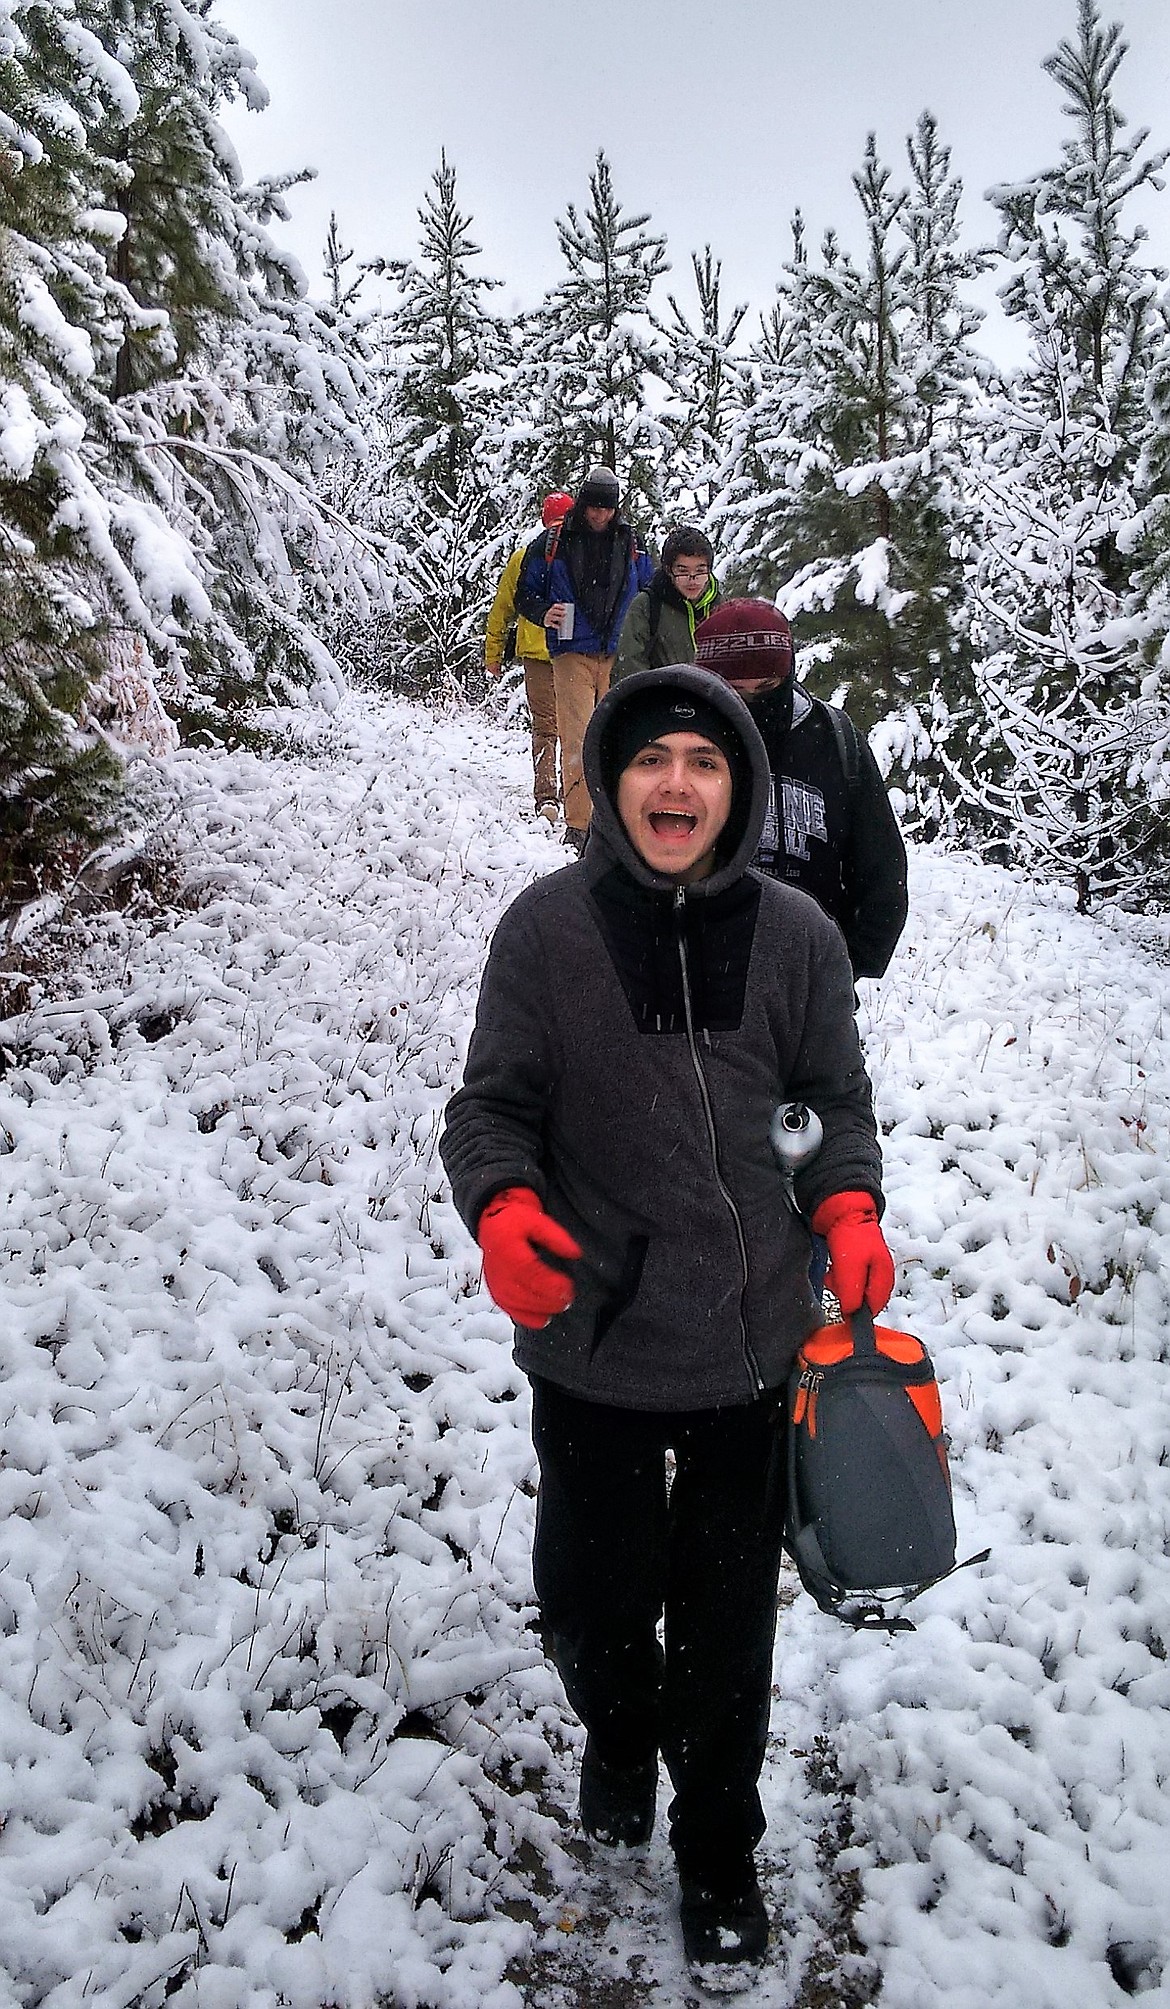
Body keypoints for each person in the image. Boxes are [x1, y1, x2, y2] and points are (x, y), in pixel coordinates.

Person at [440, 663, 894, 1983]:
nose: (678, 783)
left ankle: (717, 1849)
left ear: (737, 787)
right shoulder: (544, 933)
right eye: (652, 761)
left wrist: (847, 1206)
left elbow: (824, 1105)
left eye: (705, 762)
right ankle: (614, 1727)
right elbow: (493, 1110)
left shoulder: (799, 941)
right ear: (612, 779)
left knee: (723, 1623)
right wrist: (503, 1207)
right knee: (588, 1599)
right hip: (595, 1338)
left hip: (755, 1337)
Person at [694, 598, 908, 981]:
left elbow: (881, 866)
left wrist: (847, 966)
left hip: (810, 976)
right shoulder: (678, 743)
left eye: (767, 686)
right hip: (696, 975)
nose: (752, 704)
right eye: (733, 691)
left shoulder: (835, 741)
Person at [515, 464, 653, 852]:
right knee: (576, 736)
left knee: (618, 737)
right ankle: (579, 824)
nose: (599, 515)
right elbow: (524, 594)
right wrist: (543, 612)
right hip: (571, 650)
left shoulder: (632, 544)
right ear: (583, 502)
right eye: (594, 507)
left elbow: (648, 595)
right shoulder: (552, 543)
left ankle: (617, 821)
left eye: (607, 509)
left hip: (618, 652)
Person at [485, 491, 574, 825]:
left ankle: (554, 795)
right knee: (563, 725)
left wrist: (494, 654)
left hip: (550, 654)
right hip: (558, 654)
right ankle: (561, 794)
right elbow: (504, 609)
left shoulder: (528, 557)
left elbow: (501, 611)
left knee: (551, 726)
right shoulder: (534, 558)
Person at [614, 524, 719, 680]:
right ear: (669, 570)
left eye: (700, 571)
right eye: (683, 571)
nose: (692, 580)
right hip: (663, 696)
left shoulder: (720, 606)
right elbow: (629, 663)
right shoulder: (647, 605)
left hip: (714, 698)